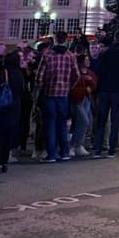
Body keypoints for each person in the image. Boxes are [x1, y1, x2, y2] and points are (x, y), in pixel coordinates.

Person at [36, 30, 79, 163]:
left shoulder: (48, 55)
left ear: (55, 39)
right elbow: (76, 75)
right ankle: (64, 152)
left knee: (50, 123)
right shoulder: (70, 55)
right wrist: (68, 86)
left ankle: (52, 153)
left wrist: (41, 86)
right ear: (65, 40)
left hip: (49, 92)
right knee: (62, 124)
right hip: (64, 94)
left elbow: (40, 76)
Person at [93, 29, 119, 159]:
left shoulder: (106, 53)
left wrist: (98, 88)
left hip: (104, 90)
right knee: (115, 120)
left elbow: (99, 71)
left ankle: (98, 149)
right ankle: (111, 149)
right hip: (118, 91)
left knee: (102, 120)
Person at [0, 52, 25, 175]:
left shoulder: (3, 73)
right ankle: (4, 162)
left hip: (2, 107)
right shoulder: (19, 73)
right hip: (15, 107)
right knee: (8, 137)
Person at [69, 54, 97, 157]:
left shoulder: (90, 73)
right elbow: (73, 89)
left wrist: (89, 82)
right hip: (77, 100)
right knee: (82, 121)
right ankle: (72, 145)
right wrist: (85, 88)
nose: (88, 61)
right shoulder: (75, 74)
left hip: (87, 99)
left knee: (87, 122)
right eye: (86, 60)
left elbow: (94, 83)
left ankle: (79, 144)